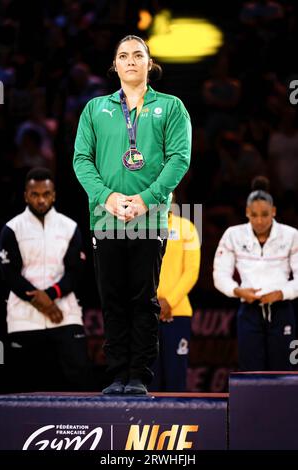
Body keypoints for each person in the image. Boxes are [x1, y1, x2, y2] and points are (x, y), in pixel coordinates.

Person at [73, 35, 191, 394]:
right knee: (112, 300)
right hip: (106, 217)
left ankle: (138, 376)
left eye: (138, 55)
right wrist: (107, 197)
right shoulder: (95, 109)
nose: (130, 61)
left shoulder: (171, 107)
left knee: (143, 299)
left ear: (149, 62)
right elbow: (81, 159)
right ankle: (116, 376)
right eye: (123, 56)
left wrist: (147, 199)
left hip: (150, 217)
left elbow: (179, 158)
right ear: (115, 65)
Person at [0, 167, 92, 391]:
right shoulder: (12, 228)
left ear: (54, 195)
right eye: (35, 194)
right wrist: (40, 301)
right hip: (24, 316)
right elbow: (9, 274)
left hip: (64, 314)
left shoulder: (69, 227)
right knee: (25, 385)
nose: (41, 200)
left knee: (77, 381)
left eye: (46, 194)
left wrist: (49, 297)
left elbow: (75, 272)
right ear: (26, 196)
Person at [213, 176, 298, 371]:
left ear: (274, 212)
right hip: (249, 309)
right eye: (254, 215)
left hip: (281, 309)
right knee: (250, 371)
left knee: (284, 370)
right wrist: (238, 291)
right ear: (247, 213)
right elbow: (220, 275)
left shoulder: (291, 235)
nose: (259, 220)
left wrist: (281, 293)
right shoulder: (233, 235)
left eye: (265, 214)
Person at [150, 198, 200, 392]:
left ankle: (176, 422)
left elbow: (191, 271)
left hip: (177, 313)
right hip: (147, 314)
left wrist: (168, 301)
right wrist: (153, 303)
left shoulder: (186, 228)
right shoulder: (138, 229)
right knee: (149, 379)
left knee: (175, 380)